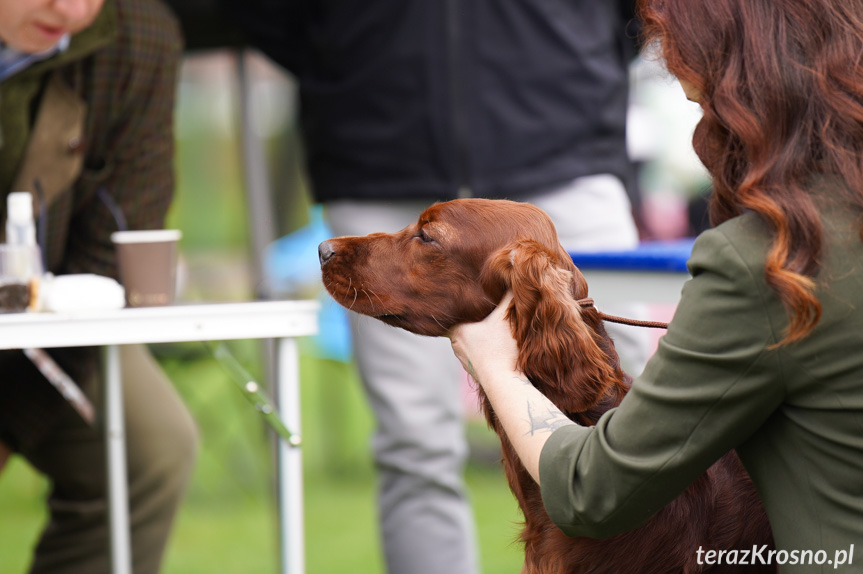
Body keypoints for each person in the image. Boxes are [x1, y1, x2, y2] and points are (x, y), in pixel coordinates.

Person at [229, 1, 645, 572]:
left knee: (633, 418)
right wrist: (345, 54)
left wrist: (575, 53)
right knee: (414, 443)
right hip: (379, 152)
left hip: (564, 147)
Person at [450, 0, 863, 571]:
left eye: (702, 104)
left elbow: (593, 490)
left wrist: (495, 366)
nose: (702, 133)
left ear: (753, 96)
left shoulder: (774, 263)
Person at [0, 1, 197, 573]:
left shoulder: (141, 37)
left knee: (151, 449)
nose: (73, 10)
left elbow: (115, 249)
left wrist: (10, 426)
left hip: (47, 322)